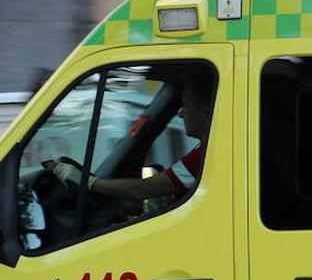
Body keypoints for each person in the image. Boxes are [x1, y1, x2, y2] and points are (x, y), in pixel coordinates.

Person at [51, 75, 212, 202]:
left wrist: (88, 182)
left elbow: (143, 190)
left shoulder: (203, 157)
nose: (181, 113)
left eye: (186, 105)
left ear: (204, 109)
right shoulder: (203, 151)